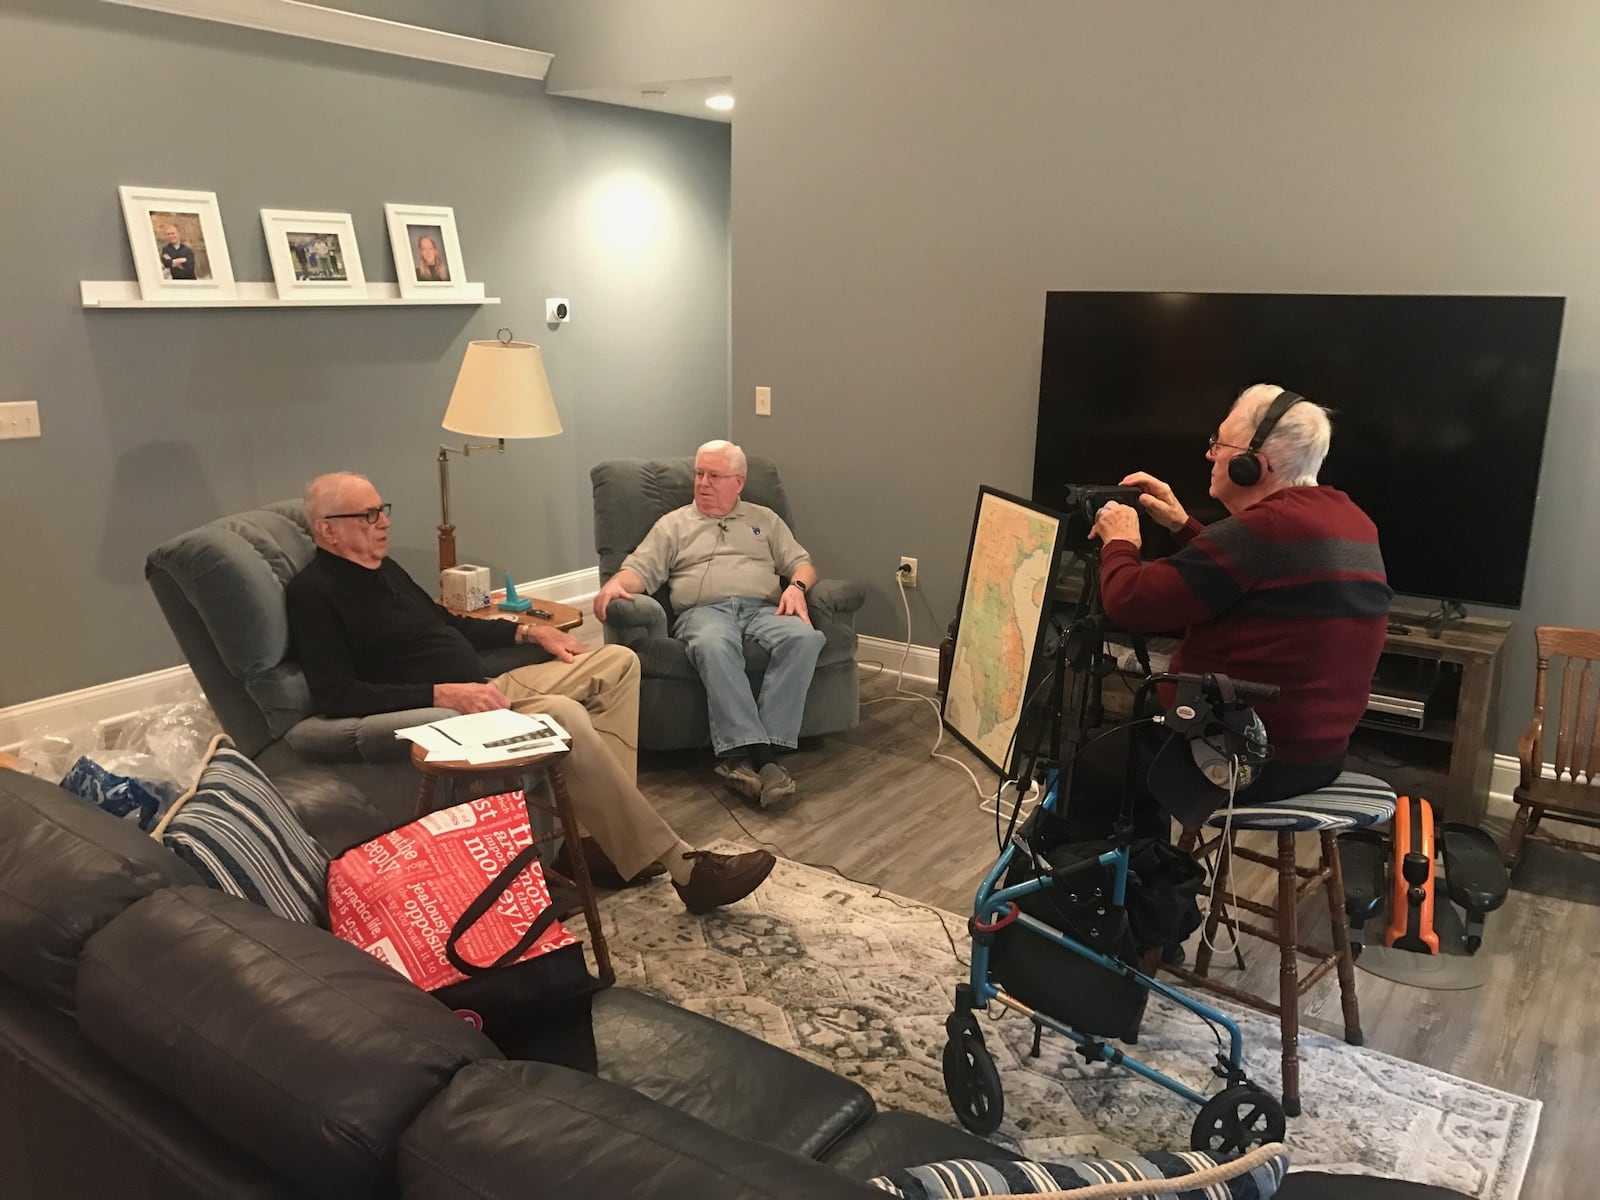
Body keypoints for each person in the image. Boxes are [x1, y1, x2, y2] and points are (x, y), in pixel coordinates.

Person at [285, 472, 775, 915]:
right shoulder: (315, 594)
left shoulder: (384, 570)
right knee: (564, 714)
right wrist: (445, 694)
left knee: (618, 663)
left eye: (381, 509)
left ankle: (598, 841)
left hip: (487, 686)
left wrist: (527, 633)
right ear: (328, 529)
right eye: (368, 515)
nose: (383, 523)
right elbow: (337, 694)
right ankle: (684, 867)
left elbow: (448, 624)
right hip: (445, 709)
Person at [1085, 383, 1392, 824]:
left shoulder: (1262, 530)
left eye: (1219, 444)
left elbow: (1130, 602)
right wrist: (1182, 524)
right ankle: (1143, 882)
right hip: (1318, 756)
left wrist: (1120, 541)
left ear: (1254, 464)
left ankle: (1085, 891)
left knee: (1086, 763)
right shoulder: (1350, 518)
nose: (1210, 455)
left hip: (1240, 758)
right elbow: (1243, 583)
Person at [593, 440, 826, 808]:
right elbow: (638, 570)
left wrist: (796, 588)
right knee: (714, 645)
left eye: (714, 476)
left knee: (806, 638)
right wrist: (615, 586)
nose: (702, 483)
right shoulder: (674, 525)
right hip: (705, 613)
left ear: (739, 482)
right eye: (699, 474)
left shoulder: (763, 520)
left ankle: (756, 749)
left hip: (762, 610)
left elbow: (803, 565)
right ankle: (760, 758)